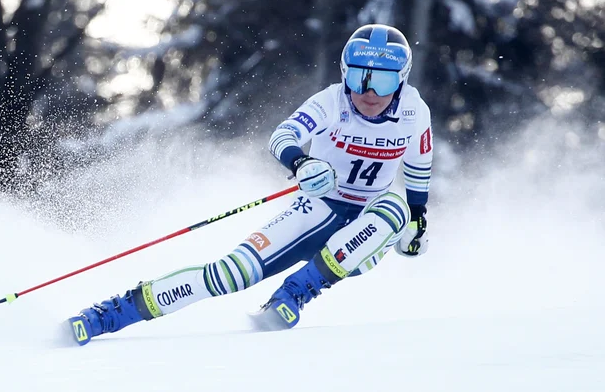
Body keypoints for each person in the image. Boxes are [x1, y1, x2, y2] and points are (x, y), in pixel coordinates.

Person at [67, 23, 433, 345]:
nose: (369, 92)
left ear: (401, 80)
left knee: (395, 207)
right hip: (317, 207)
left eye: (382, 79)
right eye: (359, 77)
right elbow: (283, 135)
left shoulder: (415, 111)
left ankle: (295, 293)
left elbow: (419, 165)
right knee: (230, 274)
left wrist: (418, 219)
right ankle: (108, 315)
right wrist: (301, 162)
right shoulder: (331, 101)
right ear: (344, 74)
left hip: (366, 227)